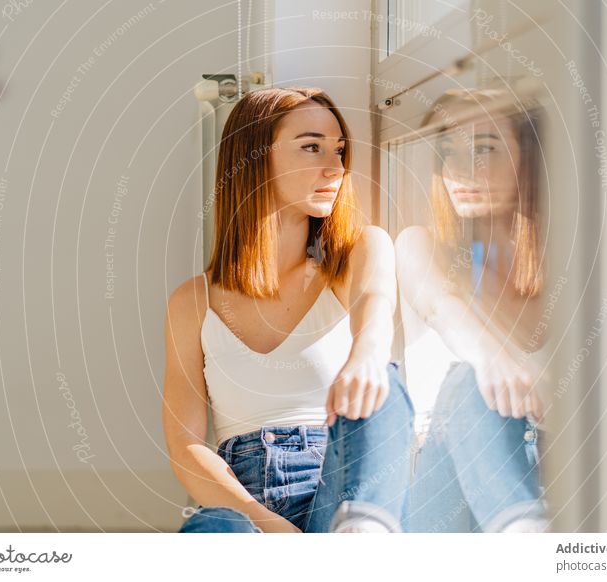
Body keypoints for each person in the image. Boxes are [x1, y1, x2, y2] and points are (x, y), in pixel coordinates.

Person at [163, 86, 414, 533]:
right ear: (256, 157)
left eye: (339, 151)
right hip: (246, 508)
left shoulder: (356, 255)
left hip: (340, 493)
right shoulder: (191, 303)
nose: (334, 168)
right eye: (311, 147)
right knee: (214, 528)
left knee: (386, 384)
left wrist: (367, 354)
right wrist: (273, 531)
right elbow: (186, 446)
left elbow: (376, 303)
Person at [396, 87, 552, 532]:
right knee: (467, 382)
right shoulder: (420, 246)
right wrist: (491, 359)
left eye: (483, 148)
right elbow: (441, 307)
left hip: (550, 476)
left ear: (531, 155)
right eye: (450, 151)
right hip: (445, 505)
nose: (461, 170)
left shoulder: (568, 271)